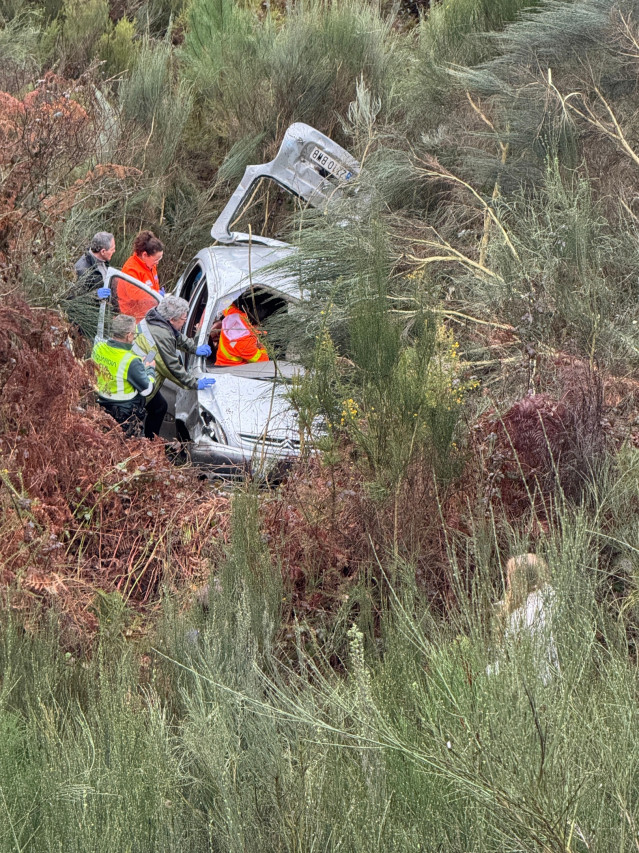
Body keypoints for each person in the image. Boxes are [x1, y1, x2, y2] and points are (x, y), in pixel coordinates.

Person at [134, 295, 216, 438]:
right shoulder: (161, 335)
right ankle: (144, 445)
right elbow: (172, 368)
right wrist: (195, 383)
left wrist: (194, 347)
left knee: (159, 407)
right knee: (135, 419)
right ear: (172, 319)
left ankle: (150, 442)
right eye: (184, 319)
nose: (185, 322)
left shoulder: (157, 318)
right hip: (136, 384)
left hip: (142, 375)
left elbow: (176, 335)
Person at [488, 554, 560, 685]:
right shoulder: (551, 600)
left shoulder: (524, 613)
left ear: (519, 579)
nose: (507, 580)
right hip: (550, 678)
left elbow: (514, 658)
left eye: (510, 576)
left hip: (533, 682)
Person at [92, 313, 156, 438]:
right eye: (134, 334)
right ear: (128, 336)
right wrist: (150, 369)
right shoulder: (131, 361)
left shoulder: (98, 347)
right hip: (124, 413)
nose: (134, 337)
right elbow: (147, 390)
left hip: (99, 404)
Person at [118, 230, 165, 322]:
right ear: (144, 255)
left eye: (160, 258)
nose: (158, 262)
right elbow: (135, 294)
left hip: (148, 314)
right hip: (133, 319)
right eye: (156, 259)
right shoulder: (131, 269)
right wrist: (156, 294)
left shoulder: (151, 265)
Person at [215, 295, 269, 366]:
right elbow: (264, 361)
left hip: (221, 360)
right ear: (259, 324)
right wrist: (262, 347)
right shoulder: (245, 343)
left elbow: (226, 305)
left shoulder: (235, 314)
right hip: (230, 369)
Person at [73, 231, 116, 297]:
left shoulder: (104, 260)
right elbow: (76, 299)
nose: (114, 251)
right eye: (112, 249)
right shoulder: (82, 269)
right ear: (103, 252)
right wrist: (96, 295)